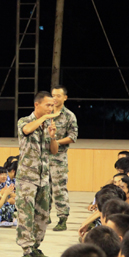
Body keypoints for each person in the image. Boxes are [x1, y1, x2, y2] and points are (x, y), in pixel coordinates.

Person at [15, 91, 59, 257]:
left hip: (43, 178)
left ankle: (35, 247)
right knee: (26, 215)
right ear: (37, 105)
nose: (51, 108)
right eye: (48, 105)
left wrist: (53, 136)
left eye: (52, 105)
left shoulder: (47, 125)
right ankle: (26, 250)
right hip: (27, 178)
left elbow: (54, 150)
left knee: (43, 215)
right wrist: (45, 119)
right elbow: (26, 130)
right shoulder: (25, 121)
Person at [48, 85, 78, 232]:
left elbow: (73, 137)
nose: (55, 98)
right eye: (53, 95)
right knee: (43, 187)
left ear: (65, 97)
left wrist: (56, 142)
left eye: (58, 95)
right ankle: (44, 215)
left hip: (58, 158)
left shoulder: (69, 116)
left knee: (59, 189)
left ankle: (62, 218)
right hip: (43, 157)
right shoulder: (45, 113)